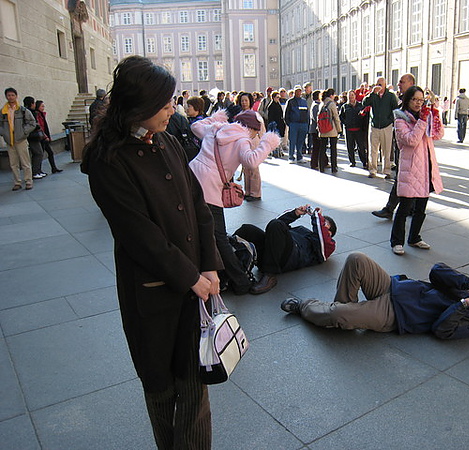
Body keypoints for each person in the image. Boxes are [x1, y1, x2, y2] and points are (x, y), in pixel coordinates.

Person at [80, 55, 223, 449]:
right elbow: (139, 235)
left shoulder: (168, 141)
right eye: (164, 105)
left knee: (196, 384)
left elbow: (199, 207)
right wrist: (191, 276)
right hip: (153, 293)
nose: (172, 110)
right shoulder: (107, 159)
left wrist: (209, 265)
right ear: (138, 106)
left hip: (195, 286)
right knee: (161, 390)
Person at [280, 252, 469, 338]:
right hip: (394, 287)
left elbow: (441, 330)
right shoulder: (467, 288)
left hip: (395, 314)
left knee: (341, 312)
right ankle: (340, 315)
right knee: (356, 259)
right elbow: (436, 271)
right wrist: (468, 283)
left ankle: (306, 307)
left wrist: (464, 304)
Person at [189, 110, 280, 294]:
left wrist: (215, 118)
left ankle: (209, 273)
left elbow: (195, 126)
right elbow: (251, 161)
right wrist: (267, 144)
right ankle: (241, 282)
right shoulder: (242, 140)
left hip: (190, 178)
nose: (256, 136)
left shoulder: (217, 128)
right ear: (252, 129)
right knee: (219, 237)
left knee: (199, 231)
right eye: (257, 133)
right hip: (209, 188)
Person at [235, 205, 337, 295]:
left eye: (326, 227)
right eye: (323, 224)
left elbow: (322, 239)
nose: (323, 227)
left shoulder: (328, 246)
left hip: (288, 258)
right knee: (247, 229)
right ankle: (230, 263)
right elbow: (275, 225)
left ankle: (270, 275)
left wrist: (318, 218)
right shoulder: (303, 230)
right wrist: (295, 213)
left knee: (276, 225)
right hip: (270, 253)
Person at [390, 85, 443, 255]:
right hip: (411, 169)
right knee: (405, 208)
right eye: (415, 99)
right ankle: (397, 241)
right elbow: (411, 140)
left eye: (421, 100)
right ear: (407, 100)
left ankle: (414, 237)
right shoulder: (400, 119)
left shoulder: (424, 116)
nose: (419, 103)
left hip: (426, 167)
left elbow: (438, 134)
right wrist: (422, 120)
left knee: (421, 208)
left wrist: (434, 114)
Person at [371, 73, 416, 219]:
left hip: (412, 147)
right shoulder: (403, 99)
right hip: (403, 144)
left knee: (405, 178)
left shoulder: (415, 100)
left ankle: (392, 208)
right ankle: (407, 208)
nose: (399, 84)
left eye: (402, 82)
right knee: (404, 178)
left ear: (410, 83)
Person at [363, 77, 399, 179]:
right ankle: (372, 170)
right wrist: (372, 93)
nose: (379, 86)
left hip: (386, 126)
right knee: (372, 150)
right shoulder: (373, 95)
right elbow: (364, 103)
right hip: (374, 126)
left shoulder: (390, 96)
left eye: (381, 84)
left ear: (385, 85)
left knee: (386, 149)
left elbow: (395, 109)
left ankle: (386, 171)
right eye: (377, 84)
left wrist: (389, 120)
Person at [1, 87, 36, 191]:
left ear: (16, 96)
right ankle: (17, 182)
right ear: (6, 97)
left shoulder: (22, 110)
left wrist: (24, 132)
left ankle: (28, 181)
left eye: (12, 95)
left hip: (21, 140)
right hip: (9, 140)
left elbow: (32, 123)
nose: (10, 97)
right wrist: (4, 133)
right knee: (13, 163)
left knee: (25, 162)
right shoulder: (3, 111)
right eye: (8, 95)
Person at [339, 89, 368, 169]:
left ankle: (364, 162)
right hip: (349, 130)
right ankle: (352, 162)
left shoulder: (360, 105)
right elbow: (341, 117)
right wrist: (346, 123)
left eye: (352, 95)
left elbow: (364, 115)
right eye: (349, 95)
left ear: (355, 96)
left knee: (361, 147)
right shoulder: (345, 106)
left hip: (359, 129)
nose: (351, 97)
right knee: (350, 147)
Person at [317, 88, 343, 173]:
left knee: (322, 149)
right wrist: (339, 129)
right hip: (331, 129)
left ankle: (321, 166)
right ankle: (334, 167)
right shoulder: (332, 104)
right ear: (331, 95)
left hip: (323, 130)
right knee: (333, 149)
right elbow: (336, 117)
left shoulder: (321, 104)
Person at [34, 100, 62, 174]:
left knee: (49, 153)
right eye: (42, 106)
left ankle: (53, 168)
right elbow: (40, 127)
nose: (43, 108)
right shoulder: (38, 115)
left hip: (44, 137)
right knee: (41, 154)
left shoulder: (42, 114)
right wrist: (45, 136)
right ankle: (38, 170)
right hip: (41, 137)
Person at [23, 96, 46, 180]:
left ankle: (38, 170)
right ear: (31, 104)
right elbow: (31, 124)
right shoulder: (28, 112)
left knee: (39, 153)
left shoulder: (33, 112)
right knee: (38, 153)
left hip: (35, 136)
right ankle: (35, 172)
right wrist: (36, 126)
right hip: (32, 136)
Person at [284, 85, 309, 163]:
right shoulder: (290, 101)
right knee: (292, 141)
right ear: (294, 92)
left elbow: (307, 113)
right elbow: (286, 114)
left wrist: (307, 124)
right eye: (296, 91)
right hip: (294, 124)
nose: (298, 92)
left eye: (299, 91)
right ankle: (291, 157)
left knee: (301, 141)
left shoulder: (304, 101)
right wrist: (289, 124)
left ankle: (299, 156)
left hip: (303, 124)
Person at [308, 90, 322, 170]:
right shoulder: (316, 105)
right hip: (315, 129)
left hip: (315, 129)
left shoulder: (316, 104)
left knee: (319, 146)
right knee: (316, 147)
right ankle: (314, 163)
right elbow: (315, 117)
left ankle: (324, 161)